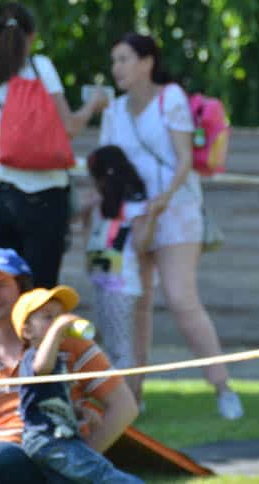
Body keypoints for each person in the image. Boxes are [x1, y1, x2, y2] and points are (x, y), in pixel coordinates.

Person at [100, 32, 242, 419]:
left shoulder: (170, 98)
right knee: (136, 303)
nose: (117, 68)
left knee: (181, 299)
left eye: (125, 59)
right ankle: (133, 395)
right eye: (114, 61)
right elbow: (107, 165)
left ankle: (222, 387)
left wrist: (162, 199)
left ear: (147, 62)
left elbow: (184, 160)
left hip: (176, 210)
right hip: (131, 217)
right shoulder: (113, 110)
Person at [0, 248, 139, 484]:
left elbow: (124, 406)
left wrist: (82, 461)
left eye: (2, 285)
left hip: (66, 447)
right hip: (5, 457)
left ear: (22, 289)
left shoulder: (69, 340)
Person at [0, 2, 110, 287]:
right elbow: (69, 128)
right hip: (47, 200)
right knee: (40, 293)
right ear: (32, 36)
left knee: (7, 288)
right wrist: (93, 105)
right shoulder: (41, 69)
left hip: (1, 199)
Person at [11, 285, 143, 483]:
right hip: (46, 439)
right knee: (102, 473)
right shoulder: (33, 358)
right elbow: (42, 367)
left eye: (60, 316)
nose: (58, 322)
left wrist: (80, 412)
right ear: (27, 331)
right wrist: (57, 329)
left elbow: (52, 401)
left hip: (60, 438)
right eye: (48, 317)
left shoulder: (58, 359)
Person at [84, 145, 153, 381]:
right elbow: (87, 237)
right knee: (106, 343)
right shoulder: (100, 205)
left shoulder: (134, 207)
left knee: (120, 349)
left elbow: (141, 244)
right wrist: (86, 211)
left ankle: (129, 396)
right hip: (102, 282)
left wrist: (152, 216)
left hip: (122, 286)